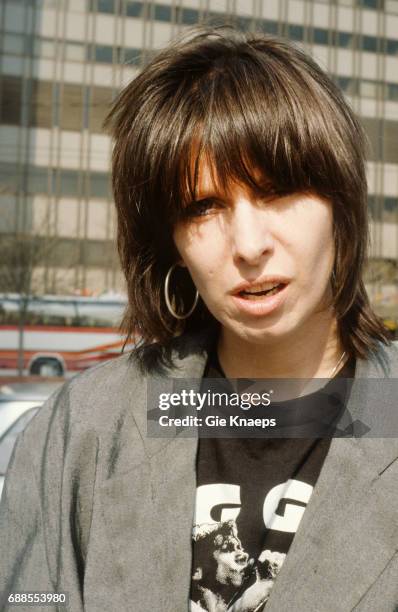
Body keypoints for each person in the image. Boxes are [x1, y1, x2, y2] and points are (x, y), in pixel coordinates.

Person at [0, 26, 397, 612]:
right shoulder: (84, 429)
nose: (248, 244)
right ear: (173, 245)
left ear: (341, 206)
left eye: (278, 190)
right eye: (203, 206)